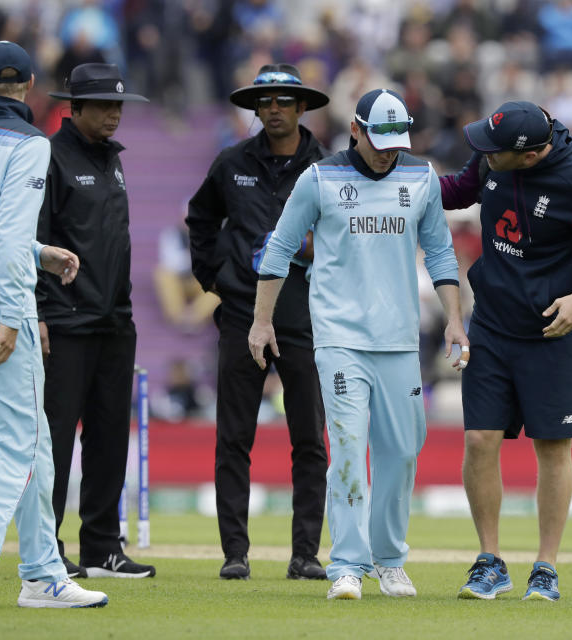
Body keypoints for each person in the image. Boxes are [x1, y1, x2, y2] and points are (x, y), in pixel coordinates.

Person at [249, 88, 469, 600]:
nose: (389, 150)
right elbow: (279, 248)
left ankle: (388, 559)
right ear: (355, 129)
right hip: (340, 338)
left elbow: (439, 252)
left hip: (399, 341)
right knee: (347, 448)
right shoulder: (320, 179)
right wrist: (263, 323)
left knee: (401, 452)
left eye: (397, 140)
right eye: (379, 139)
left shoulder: (421, 178)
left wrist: (455, 321)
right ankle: (346, 565)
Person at [439, 101, 572, 601]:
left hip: (551, 333)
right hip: (490, 325)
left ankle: (545, 567)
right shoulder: (495, 155)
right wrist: (399, 184)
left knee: (552, 449)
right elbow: (457, 191)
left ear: (528, 157)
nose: (481, 152)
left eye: (492, 148)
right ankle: (489, 562)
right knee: (480, 441)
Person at [0, 41, 107, 609]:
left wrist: (41, 253)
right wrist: (14, 316)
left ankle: (42, 574)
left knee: (34, 443)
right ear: (30, 85)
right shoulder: (30, 144)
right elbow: (2, 239)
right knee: (14, 444)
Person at [185, 63, 331, 581]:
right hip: (242, 311)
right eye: (264, 101)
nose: (273, 108)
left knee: (310, 437)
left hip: (305, 314)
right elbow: (199, 219)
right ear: (255, 108)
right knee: (234, 435)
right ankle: (234, 554)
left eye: (283, 101)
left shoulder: (328, 168)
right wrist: (215, 280)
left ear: (302, 107)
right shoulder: (231, 164)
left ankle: (306, 554)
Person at [36, 63, 155, 579]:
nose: (113, 114)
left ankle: (103, 546)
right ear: (75, 108)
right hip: (65, 321)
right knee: (57, 439)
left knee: (109, 437)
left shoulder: (114, 160)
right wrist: (38, 312)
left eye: (119, 105)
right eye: (104, 105)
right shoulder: (49, 159)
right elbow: (34, 241)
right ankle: (47, 546)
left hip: (114, 320)